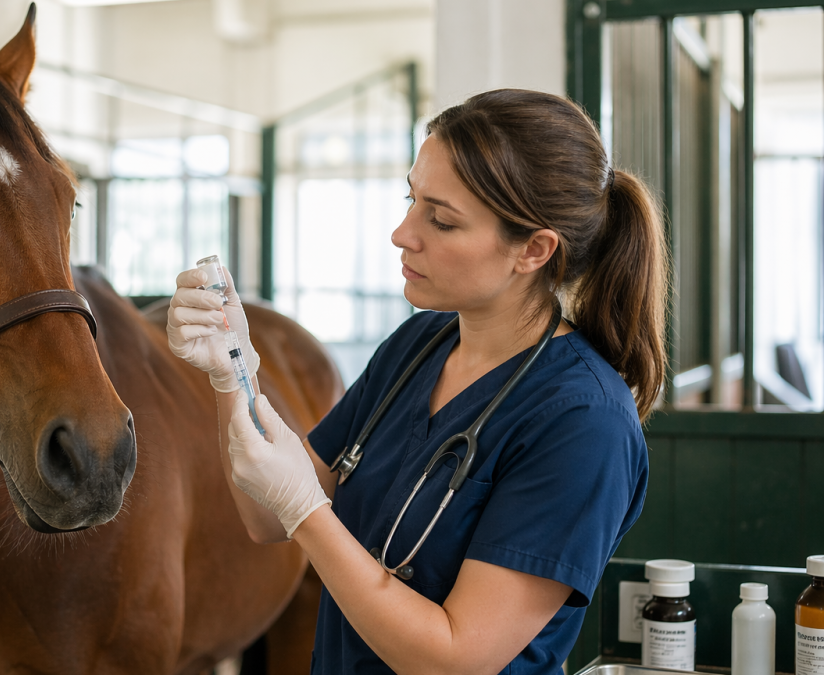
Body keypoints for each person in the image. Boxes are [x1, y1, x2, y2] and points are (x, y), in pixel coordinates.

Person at [166, 89, 666, 674]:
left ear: (533, 249)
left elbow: (455, 659)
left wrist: (306, 509)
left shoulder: (584, 422)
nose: (404, 233)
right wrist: (235, 375)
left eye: (442, 219)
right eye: (411, 199)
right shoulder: (418, 345)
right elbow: (266, 518)